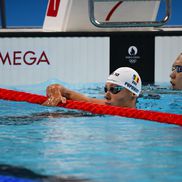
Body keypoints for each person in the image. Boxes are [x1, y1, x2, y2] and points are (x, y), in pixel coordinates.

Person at [43, 67, 142, 108]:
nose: (106, 95)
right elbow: (58, 88)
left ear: (133, 93)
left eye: (114, 89)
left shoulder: (147, 116)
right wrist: (54, 95)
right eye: (106, 89)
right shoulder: (101, 105)